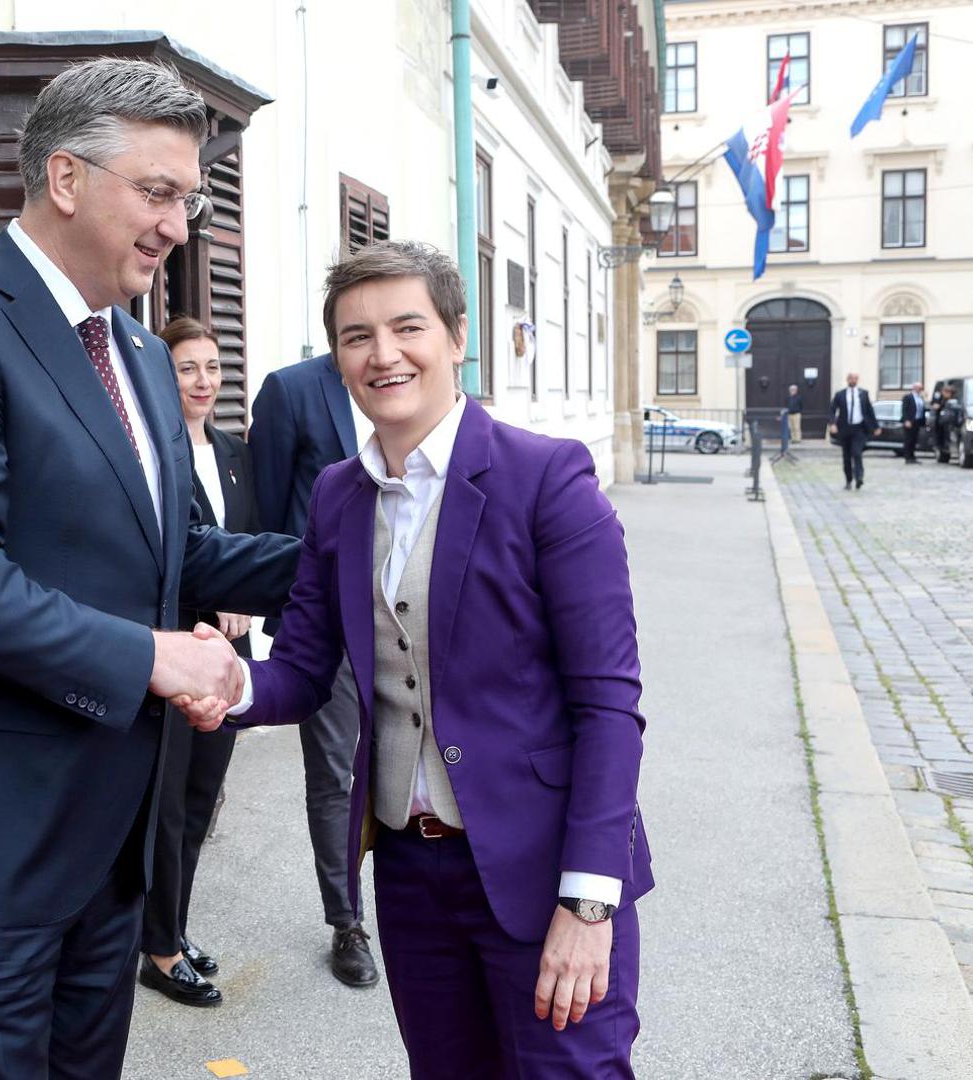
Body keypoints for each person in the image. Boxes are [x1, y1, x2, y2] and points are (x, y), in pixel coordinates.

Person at [0, 59, 299, 1079]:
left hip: (104, 849)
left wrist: (360, 557)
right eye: (158, 193)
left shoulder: (139, 354)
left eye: (190, 199)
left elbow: (172, 551)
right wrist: (154, 658)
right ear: (66, 178)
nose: (179, 226)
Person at [181, 240, 652, 1077]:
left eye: (407, 327)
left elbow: (608, 707)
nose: (383, 354)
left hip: (541, 868)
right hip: (410, 869)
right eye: (356, 336)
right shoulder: (339, 495)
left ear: (456, 336)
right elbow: (304, 669)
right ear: (338, 359)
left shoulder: (546, 478)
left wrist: (589, 903)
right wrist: (230, 680)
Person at [249, 350, 381, 988]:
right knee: (333, 774)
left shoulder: (414, 383)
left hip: (418, 616)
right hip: (332, 621)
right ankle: (346, 920)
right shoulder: (292, 390)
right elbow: (269, 510)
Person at [138, 317, 259, 1008]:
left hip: (230, 651)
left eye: (213, 366)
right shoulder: (154, 450)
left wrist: (244, 603)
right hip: (177, 646)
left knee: (200, 800)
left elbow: (247, 540)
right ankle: (159, 950)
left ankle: (174, 929)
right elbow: (167, 553)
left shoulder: (236, 452)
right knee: (168, 805)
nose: (204, 380)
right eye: (188, 367)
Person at [829, 372, 880, 490]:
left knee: (857, 453)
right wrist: (832, 423)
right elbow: (832, 410)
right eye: (851, 378)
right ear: (847, 380)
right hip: (845, 428)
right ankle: (848, 480)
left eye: (855, 378)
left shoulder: (863, 394)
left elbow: (869, 411)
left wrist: (875, 427)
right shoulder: (840, 394)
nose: (853, 380)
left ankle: (859, 477)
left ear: (858, 380)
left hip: (859, 429)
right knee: (846, 457)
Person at [900, 381, 927, 463]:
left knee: (914, 439)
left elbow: (922, 409)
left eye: (921, 388)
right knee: (908, 440)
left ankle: (912, 456)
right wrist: (906, 420)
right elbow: (904, 409)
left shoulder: (920, 398)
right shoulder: (908, 397)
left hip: (917, 421)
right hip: (909, 421)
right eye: (919, 388)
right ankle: (907, 457)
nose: (920, 390)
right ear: (914, 388)